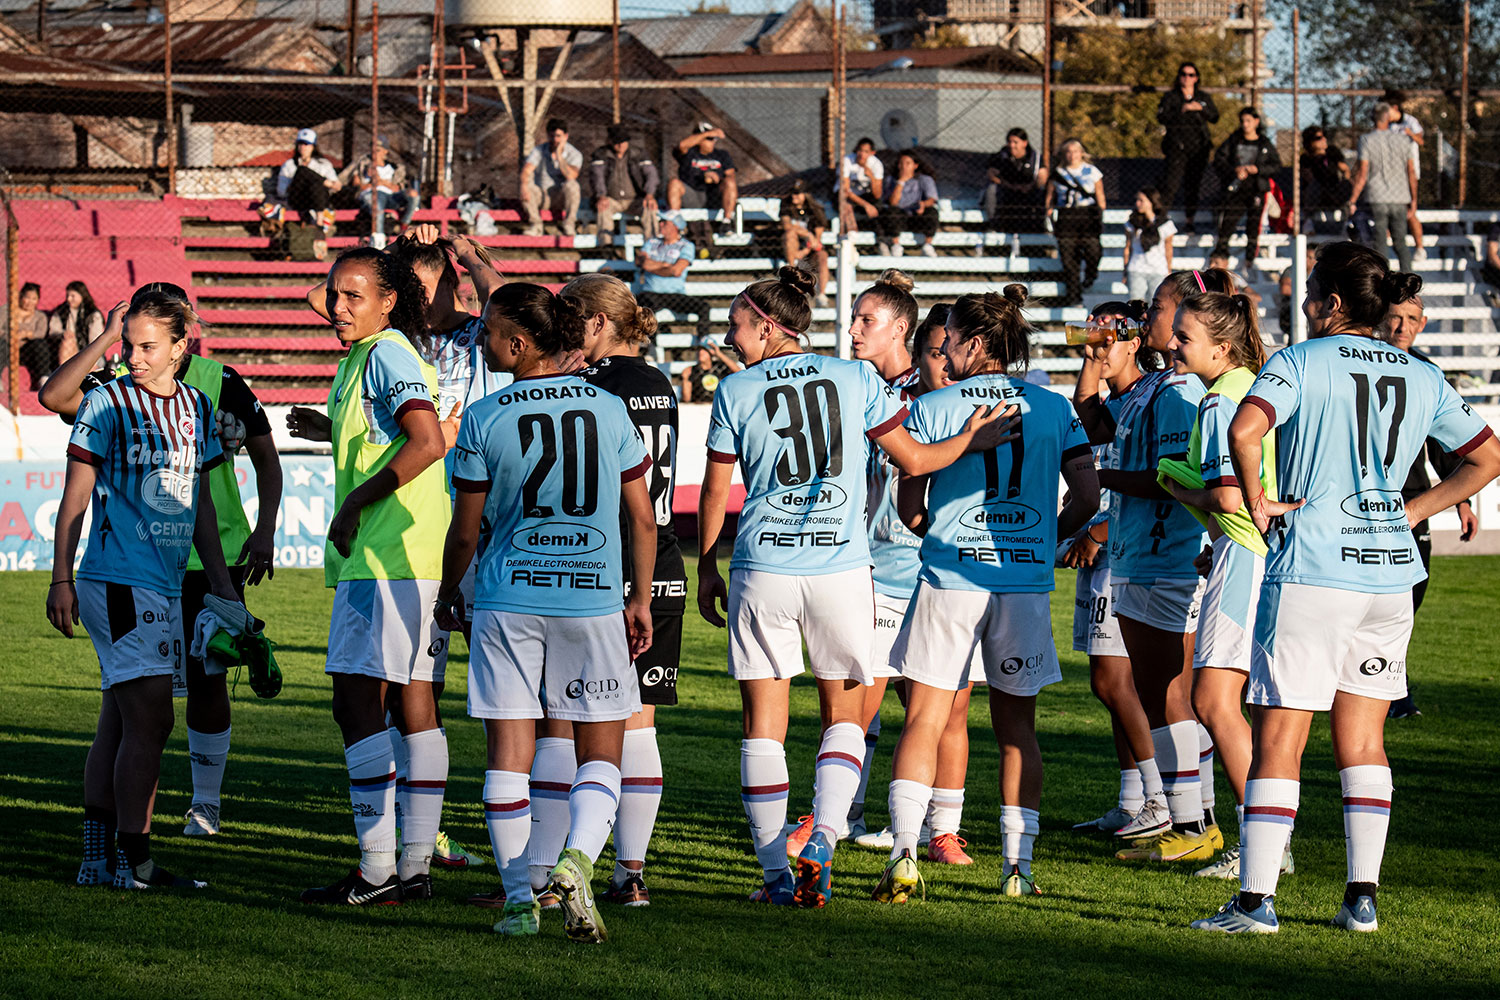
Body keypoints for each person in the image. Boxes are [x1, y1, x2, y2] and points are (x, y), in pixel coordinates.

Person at [1192, 241, 1500, 934]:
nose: (1301, 305)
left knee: (1280, 736)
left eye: (1308, 294)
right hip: (1389, 575)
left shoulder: (1300, 360)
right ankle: (1362, 899)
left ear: (1332, 302)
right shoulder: (1419, 373)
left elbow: (1246, 427)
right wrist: (1412, 510)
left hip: (1314, 567)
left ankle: (1255, 903)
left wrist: (1259, 501)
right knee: (1362, 739)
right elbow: (1488, 457)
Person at [695, 267, 1014, 908]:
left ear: (767, 325)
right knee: (845, 719)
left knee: (764, 728)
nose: (730, 336)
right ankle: (826, 837)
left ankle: (775, 878)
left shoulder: (735, 390)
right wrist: (970, 437)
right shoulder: (857, 377)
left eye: (736, 323)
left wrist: (706, 565)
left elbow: (713, 490)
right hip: (842, 571)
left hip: (763, 567)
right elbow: (916, 461)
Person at [433, 282, 655, 942]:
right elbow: (641, 515)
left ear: (521, 343)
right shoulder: (608, 409)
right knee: (602, 752)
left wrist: (451, 591)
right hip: (591, 598)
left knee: (508, 755)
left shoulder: (484, 417)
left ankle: (516, 904)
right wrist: (639, 597)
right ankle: (577, 862)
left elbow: (466, 531)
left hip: (507, 597)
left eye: (492, 331)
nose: (484, 341)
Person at [873, 285, 1097, 903]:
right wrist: (1044, 540)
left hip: (950, 577)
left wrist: (937, 532)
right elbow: (1088, 498)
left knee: (924, 717)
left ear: (973, 343)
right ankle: (1017, 869)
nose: (943, 350)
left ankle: (902, 856)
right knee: (1017, 729)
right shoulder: (1055, 408)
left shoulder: (937, 405)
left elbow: (909, 501)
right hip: (1022, 582)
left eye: (949, 341)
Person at [40, 281, 282, 839]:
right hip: (126, 573)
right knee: (145, 719)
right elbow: (57, 407)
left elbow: (214, 488)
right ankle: (129, 854)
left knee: (177, 695)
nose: (135, 356)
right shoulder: (113, 395)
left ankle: (192, 811)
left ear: (181, 342)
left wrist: (237, 562)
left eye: (147, 345)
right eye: (131, 343)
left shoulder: (209, 391)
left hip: (189, 566)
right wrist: (61, 578)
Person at [787, 278, 979, 862]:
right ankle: (837, 814)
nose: (944, 363)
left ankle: (941, 829)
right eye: (936, 352)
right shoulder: (866, 391)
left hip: (944, 569)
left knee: (948, 705)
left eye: (951, 352)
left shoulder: (963, 406)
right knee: (858, 700)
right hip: (876, 566)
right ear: (917, 347)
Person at [287, 247, 452, 907]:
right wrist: (334, 433)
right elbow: (393, 436)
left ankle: (378, 869)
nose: (338, 306)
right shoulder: (369, 356)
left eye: (354, 295)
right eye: (334, 294)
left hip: (385, 558)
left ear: (388, 301)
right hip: (411, 558)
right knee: (413, 706)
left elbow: (427, 439)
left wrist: (356, 502)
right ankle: (411, 867)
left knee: (356, 703)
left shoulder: (385, 354)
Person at [1075, 269, 1228, 864]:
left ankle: (1192, 822)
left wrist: (1097, 482)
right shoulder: (1154, 389)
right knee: (1156, 690)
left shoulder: (1180, 392)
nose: (1149, 317)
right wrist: (1089, 381)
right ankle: (1186, 817)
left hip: (1168, 556)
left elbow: (1172, 480)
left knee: (1172, 694)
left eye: (1159, 308)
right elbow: (1106, 433)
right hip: (1140, 557)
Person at [560, 272, 685, 906]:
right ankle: (630, 873)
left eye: (570, 318)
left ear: (598, 324)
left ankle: (550, 870)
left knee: (565, 721)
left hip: (607, 570)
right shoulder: (659, 385)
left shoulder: (595, 390)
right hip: (663, 563)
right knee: (642, 725)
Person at [1156, 291, 1286, 881]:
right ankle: (1266, 837)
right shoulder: (1249, 388)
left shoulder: (1219, 402)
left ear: (1222, 349)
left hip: (1246, 554)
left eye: (1185, 338)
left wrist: (1176, 488)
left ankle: (1264, 843)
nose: (1174, 345)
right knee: (1236, 702)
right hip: (1253, 551)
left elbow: (1230, 495)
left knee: (1213, 701)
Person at [1062, 302, 1156, 835]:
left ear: (1134, 340)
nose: (1095, 343)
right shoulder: (1119, 396)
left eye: (1106, 334)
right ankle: (1132, 799)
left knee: (1116, 681)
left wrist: (1097, 530)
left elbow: (1144, 475)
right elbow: (1088, 419)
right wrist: (1094, 360)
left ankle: (1163, 798)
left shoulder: (1150, 394)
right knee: (1109, 682)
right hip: (1107, 548)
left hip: (1128, 550)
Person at [1379, 294, 1481, 719]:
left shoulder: (1428, 373)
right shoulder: (1358, 364)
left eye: (1411, 319)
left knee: (1410, 598)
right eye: (1395, 316)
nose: (1402, 326)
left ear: (1423, 324)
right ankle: (1386, 692)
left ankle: (1391, 685)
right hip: (1361, 503)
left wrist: (1464, 501)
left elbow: (1447, 443)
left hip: (1413, 501)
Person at [1348, 102, 1416, 273]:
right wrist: (1414, 199)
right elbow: (1411, 171)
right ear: (1389, 118)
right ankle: (1408, 283)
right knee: (1401, 242)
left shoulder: (1367, 140)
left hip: (1377, 196)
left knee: (1380, 243)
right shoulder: (1403, 140)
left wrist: (1353, 199)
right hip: (1400, 196)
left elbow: (1363, 173)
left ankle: (1383, 280)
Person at [1212, 108, 1280, 272]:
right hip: (1236, 190)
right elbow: (1219, 160)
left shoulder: (1264, 143)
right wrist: (1234, 170)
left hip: (1256, 190)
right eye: (1243, 121)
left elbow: (1276, 166)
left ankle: (1250, 259)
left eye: (1248, 121)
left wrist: (1258, 169)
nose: (1245, 124)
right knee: (1228, 222)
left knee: (1253, 225)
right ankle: (1220, 255)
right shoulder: (1234, 141)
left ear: (1256, 122)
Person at [1157, 62, 1220, 233]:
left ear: (1196, 78)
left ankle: (1189, 221)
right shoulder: (1171, 97)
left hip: (1198, 147)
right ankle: (1161, 218)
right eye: (1183, 74)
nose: (1187, 78)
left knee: (1193, 185)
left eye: (1191, 75)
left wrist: (1201, 108)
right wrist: (1182, 109)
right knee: (1171, 184)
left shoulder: (1203, 97)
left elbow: (1215, 117)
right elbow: (1161, 116)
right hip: (1177, 146)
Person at [634, 213, 711, 342]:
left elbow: (676, 271)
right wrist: (666, 266)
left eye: (665, 222)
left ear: (675, 226)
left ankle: (703, 342)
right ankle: (648, 346)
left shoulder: (686, 245)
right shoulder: (651, 242)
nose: (660, 224)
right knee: (641, 309)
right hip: (651, 293)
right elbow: (641, 262)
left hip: (674, 295)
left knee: (704, 307)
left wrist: (653, 265)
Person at [1047, 139, 1106, 307]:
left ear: (1081, 153)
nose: (1072, 155)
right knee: (1069, 258)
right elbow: (1050, 197)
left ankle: (1090, 274)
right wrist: (1049, 212)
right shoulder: (1058, 173)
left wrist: (1100, 212)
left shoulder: (1092, 171)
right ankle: (1074, 297)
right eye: (1068, 151)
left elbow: (1100, 195)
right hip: (1066, 215)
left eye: (1075, 151)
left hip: (1087, 214)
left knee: (1093, 249)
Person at [979, 128, 1047, 255]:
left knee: (1040, 193)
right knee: (991, 190)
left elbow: (1042, 176)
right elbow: (991, 173)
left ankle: (1038, 230)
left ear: (1024, 143)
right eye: (1010, 142)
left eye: (1015, 142)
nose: (1012, 145)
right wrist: (1007, 185)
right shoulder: (1002, 156)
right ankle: (995, 225)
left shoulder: (1035, 157)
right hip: (1007, 190)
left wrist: (1031, 186)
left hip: (1028, 191)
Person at [668, 122, 737, 242]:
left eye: (713, 139)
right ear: (698, 139)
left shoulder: (722, 155)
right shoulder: (689, 153)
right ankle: (676, 224)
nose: (713, 141)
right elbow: (682, 145)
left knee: (730, 182)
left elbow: (731, 176)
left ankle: (727, 222)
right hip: (693, 195)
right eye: (708, 138)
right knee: (674, 183)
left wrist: (718, 178)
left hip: (713, 196)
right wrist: (709, 133)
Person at [339, 135, 419, 238]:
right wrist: (372, 182)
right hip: (371, 194)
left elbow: (397, 188)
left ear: (385, 151)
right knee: (377, 204)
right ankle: (379, 239)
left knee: (413, 194)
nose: (374, 152)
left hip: (391, 197)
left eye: (377, 150)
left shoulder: (394, 167)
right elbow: (357, 186)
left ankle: (404, 224)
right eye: (372, 149)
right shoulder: (363, 164)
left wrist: (381, 182)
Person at [591, 123, 660, 241]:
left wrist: (649, 194)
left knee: (650, 206)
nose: (620, 145)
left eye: (623, 141)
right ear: (610, 141)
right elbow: (597, 177)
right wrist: (601, 195)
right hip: (612, 200)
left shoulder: (638, 154)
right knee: (603, 207)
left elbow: (651, 174)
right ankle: (606, 244)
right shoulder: (600, 155)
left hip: (635, 200)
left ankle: (652, 243)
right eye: (617, 141)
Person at [520, 117, 583, 238]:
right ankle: (536, 226)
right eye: (552, 136)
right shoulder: (539, 150)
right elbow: (526, 170)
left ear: (566, 136)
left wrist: (559, 156)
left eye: (559, 136)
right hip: (542, 195)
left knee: (573, 185)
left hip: (561, 197)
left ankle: (569, 225)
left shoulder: (574, 154)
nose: (555, 139)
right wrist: (523, 186)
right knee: (526, 185)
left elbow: (571, 175)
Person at [1384, 91, 1427, 261]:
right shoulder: (1386, 125)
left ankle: (1420, 247)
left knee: (1410, 210)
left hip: (1409, 173)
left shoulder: (1410, 121)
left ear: (1395, 108)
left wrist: (1410, 134)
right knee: (1386, 210)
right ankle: (1384, 250)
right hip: (1391, 174)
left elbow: (1421, 141)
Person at [874, 151, 939, 258]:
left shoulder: (925, 179)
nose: (904, 167)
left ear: (915, 165)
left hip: (916, 217)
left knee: (932, 212)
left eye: (908, 163)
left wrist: (923, 204)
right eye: (901, 163)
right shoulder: (891, 180)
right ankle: (896, 245)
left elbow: (932, 199)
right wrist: (901, 182)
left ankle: (927, 245)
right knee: (892, 212)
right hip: (899, 218)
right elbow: (893, 202)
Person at [276, 128, 341, 234]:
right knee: (302, 171)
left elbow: (336, 186)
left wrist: (317, 182)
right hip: (298, 199)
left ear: (313, 147)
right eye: (300, 144)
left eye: (306, 144)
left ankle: (319, 220)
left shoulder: (323, 164)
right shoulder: (289, 165)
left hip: (318, 199)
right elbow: (281, 191)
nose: (303, 147)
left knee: (315, 183)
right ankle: (320, 220)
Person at [777, 179, 830, 306]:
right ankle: (791, 272)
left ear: (806, 194)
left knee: (823, 256)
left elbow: (817, 241)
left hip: (809, 249)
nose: (793, 196)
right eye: (792, 193)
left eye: (797, 193)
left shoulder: (815, 209)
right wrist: (807, 234)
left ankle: (822, 294)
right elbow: (787, 226)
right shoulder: (786, 204)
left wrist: (805, 250)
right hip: (791, 248)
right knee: (790, 234)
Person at [1124, 188, 1177, 303]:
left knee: (1156, 303)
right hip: (1137, 267)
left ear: (1151, 202)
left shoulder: (1165, 223)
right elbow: (1128, 247)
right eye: (1137, 200)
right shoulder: (1132, 222)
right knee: (1135, 303)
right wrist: (1125, 269)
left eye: (1141, 200)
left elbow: (1168, 248)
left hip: (1158, 269)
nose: (1138, 203)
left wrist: (1168, 270)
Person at [1300, 126, 1351, 239]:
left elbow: (1345, 169)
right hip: (1319, 192)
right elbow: (1309, 178)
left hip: (1334, 188)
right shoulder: (1306, 158)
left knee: (1346, 185)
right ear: (1310, 142)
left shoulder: (1332, 153)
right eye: (1319, 138)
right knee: (1314, 186)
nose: (1324, 140)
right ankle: (1309, 222)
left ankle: (1347, 219)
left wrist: (1343, 180)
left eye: (1324, 137)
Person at [51, 280, 105, 368]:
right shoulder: (62, 311)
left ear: (82, 296)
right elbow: (53, 330)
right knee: (67, 342)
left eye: (72, 296)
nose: (69, 299)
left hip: (90, 352)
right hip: (68, 351)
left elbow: (96, 340)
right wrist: (63, 334)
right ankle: (64, 374)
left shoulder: (92, 314)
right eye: (67, 296)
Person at [840, 137, 886, 237]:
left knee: (879, 206)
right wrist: (866, 205)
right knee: (845, 203)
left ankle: (882, 239)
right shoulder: (847, 161)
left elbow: (877, 195)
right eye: (860, 150)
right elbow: (845, 191)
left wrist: (871, 176)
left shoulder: (876, 165)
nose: (862, 154)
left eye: (866, 151)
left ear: (872, 153)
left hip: (862, 196)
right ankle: (851, 236)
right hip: (846, 196)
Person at [14, 282, 52, 385]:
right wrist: (13, 336)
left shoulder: (40, 316)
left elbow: (40, 333)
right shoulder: (7, 311)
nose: (30, 302)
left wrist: (26, 334)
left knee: (40, 343)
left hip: (27, 352)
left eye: (34, 299)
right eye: (27, 297)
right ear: (21, 297)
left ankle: (44, 377)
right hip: (9, 348)